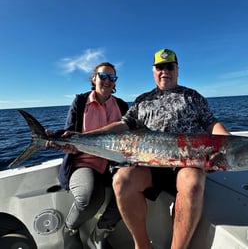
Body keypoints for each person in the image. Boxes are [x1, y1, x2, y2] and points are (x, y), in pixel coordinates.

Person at [84, 49, 229, 249]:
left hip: (185, 163)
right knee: (121, 181)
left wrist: (228, 141)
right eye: (160, 67)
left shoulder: (193, 97)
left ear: (177, 69)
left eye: (169, 66)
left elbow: (211, 123)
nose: (164, 71)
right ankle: (142, 245)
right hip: (149, 164)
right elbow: (122, 125)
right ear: (153, 71)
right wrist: (86, 136)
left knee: (193, 183)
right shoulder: (143, 100)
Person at [54, 62, 128, 249]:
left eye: (112, 78)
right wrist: (66, 144)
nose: (107, 81)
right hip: (84, 161)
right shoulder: (80, 102)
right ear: (94, 78)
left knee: (133, 189)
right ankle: (70, 228)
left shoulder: (121, 105)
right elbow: (70, 133)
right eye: (103, 76)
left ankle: (100, 233)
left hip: (114, 163)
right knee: (89, 197)